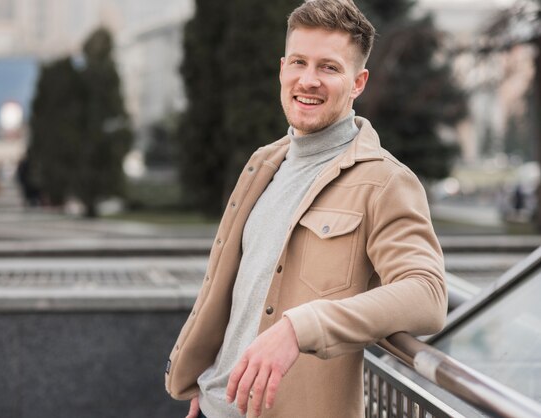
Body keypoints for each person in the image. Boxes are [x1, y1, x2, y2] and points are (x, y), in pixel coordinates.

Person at [166, 1, 447, 417]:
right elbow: (238, 290)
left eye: (329, 68)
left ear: (358, 82)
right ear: (282, 69)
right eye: (299, 62)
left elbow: (428, 294)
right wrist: (206, 377)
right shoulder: (263, 163)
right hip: (212, 405)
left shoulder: (385, 181)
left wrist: (303, 327)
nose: (308, 80)